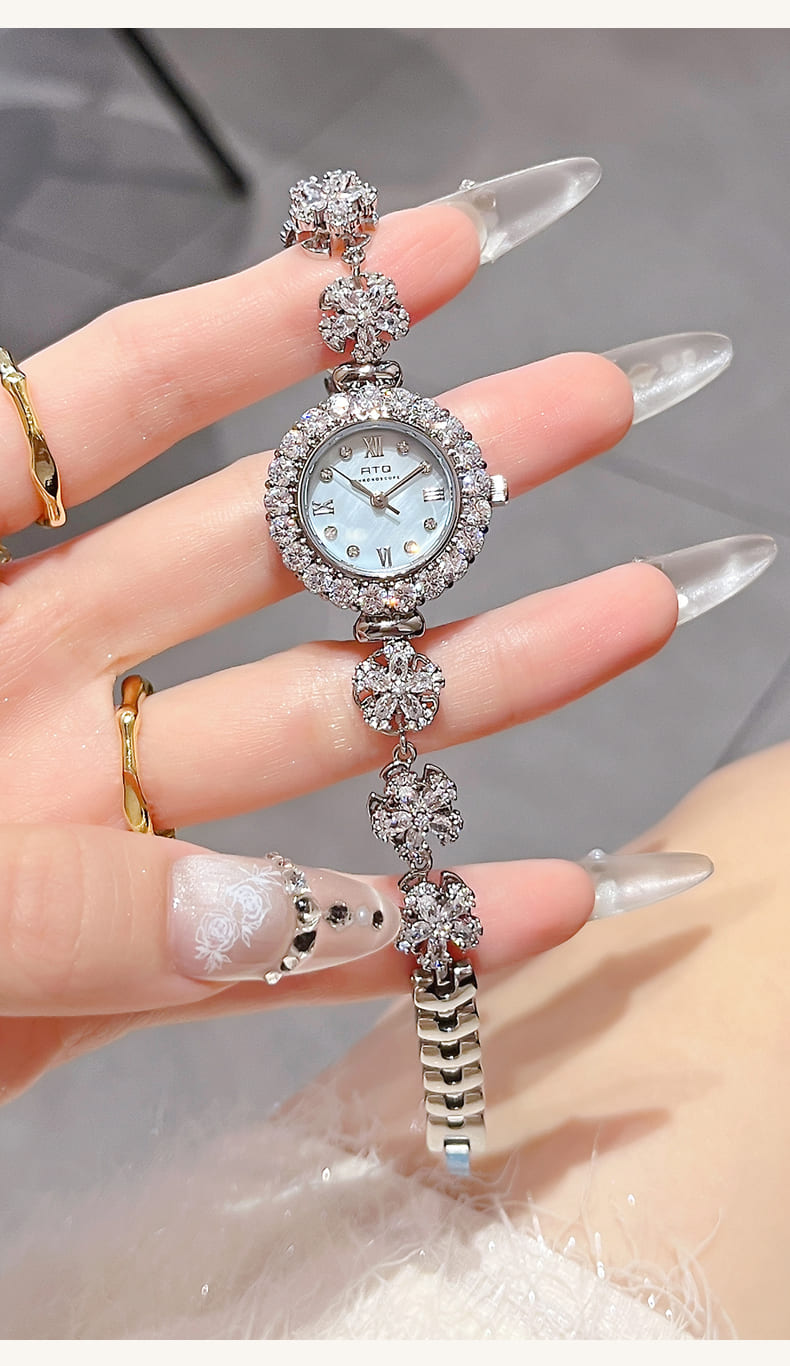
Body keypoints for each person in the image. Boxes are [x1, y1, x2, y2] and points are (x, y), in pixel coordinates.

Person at [0, 163, 777, 1338]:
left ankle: (455, 1116)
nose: (371, 511)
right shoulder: (334, 503)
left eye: (392, 503)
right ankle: (452, 1114)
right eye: (356, 506)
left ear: (451, 503)